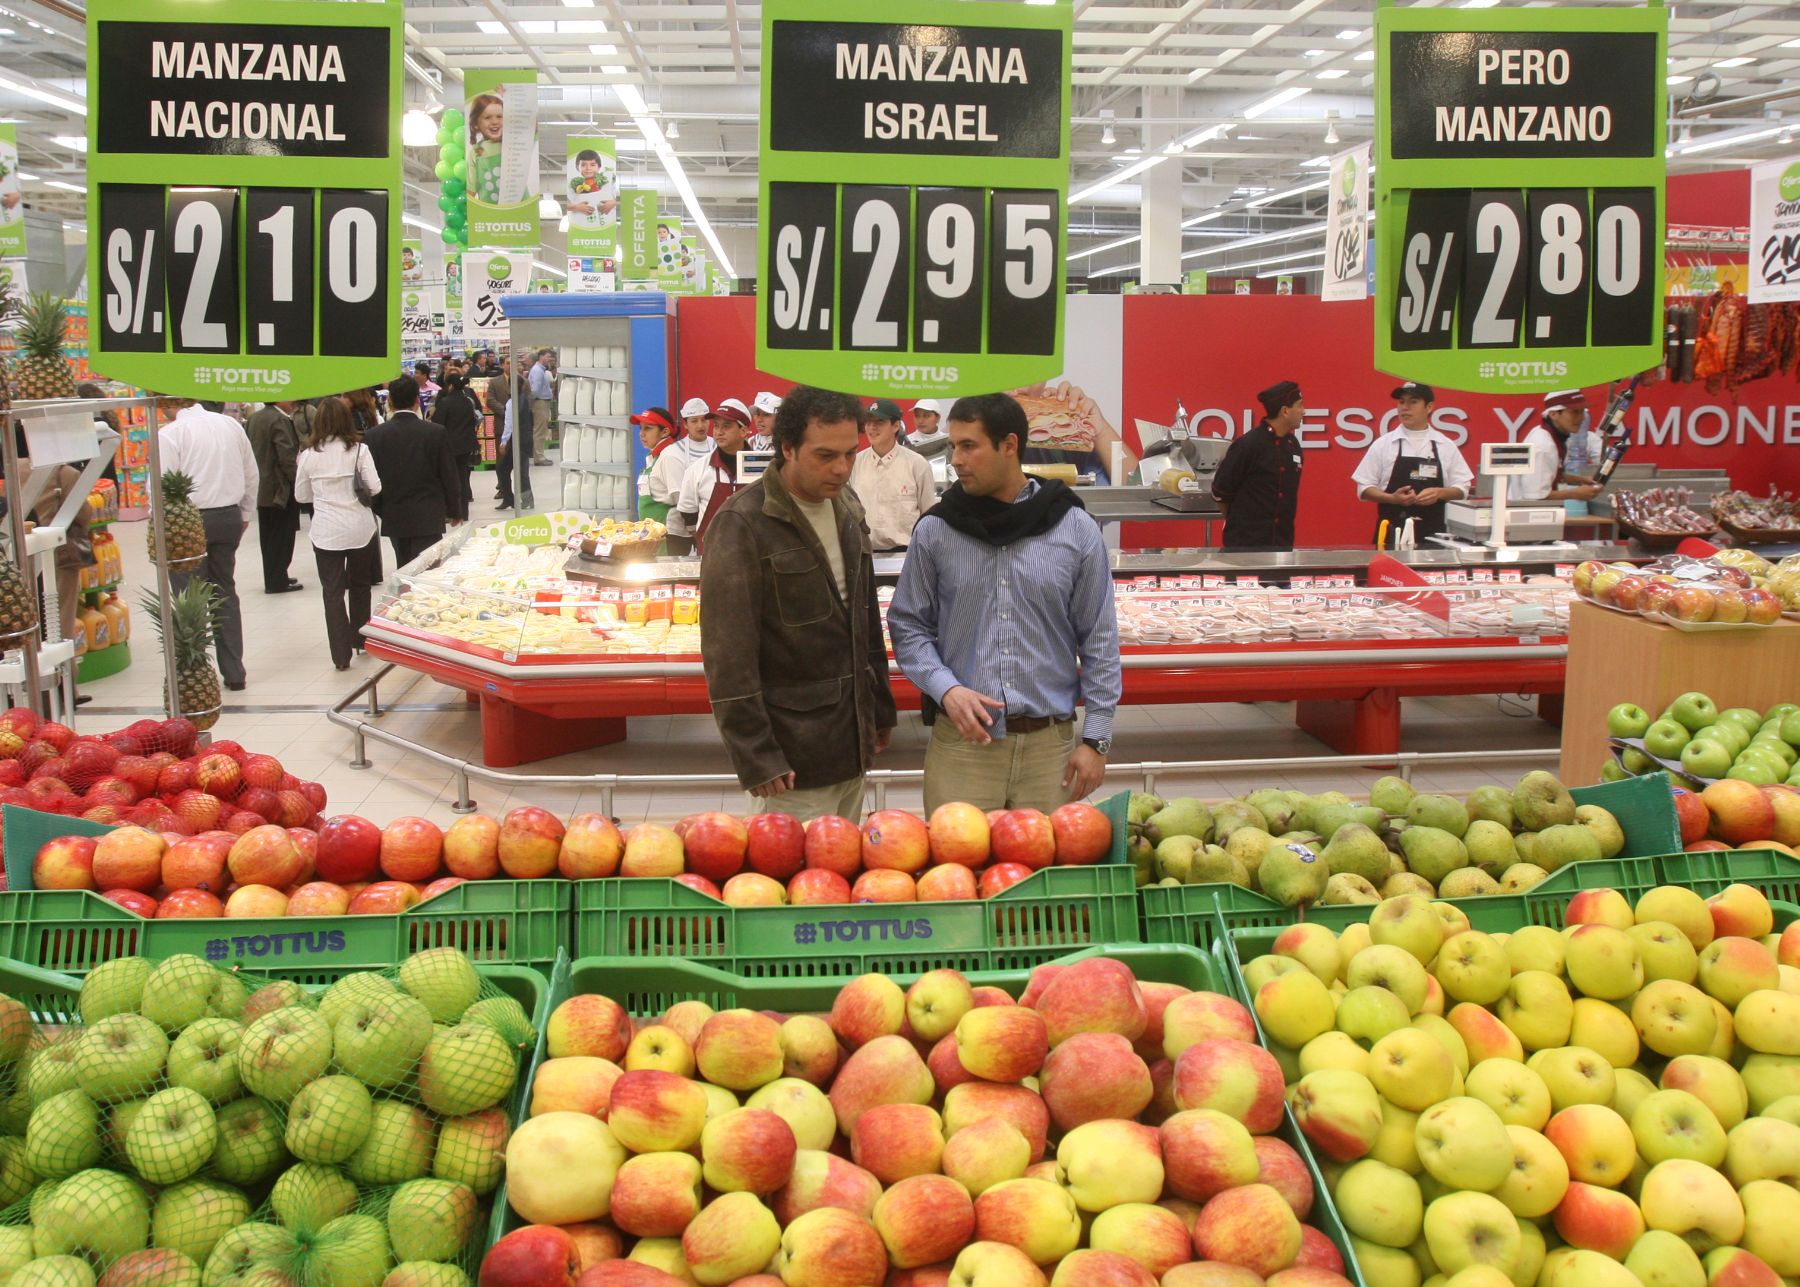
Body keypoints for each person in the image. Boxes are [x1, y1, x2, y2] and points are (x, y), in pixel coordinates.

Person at [888, 393, 1120, 815]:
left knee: (1048, 876)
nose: (956, 459)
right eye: (952, 446)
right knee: (956, 878)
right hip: (963, 748)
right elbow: (908, 626)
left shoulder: (1074, 528)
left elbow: (1099, 639)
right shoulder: (937, 531)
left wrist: (1096, 740)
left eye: (968, 445)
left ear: (1009, 445)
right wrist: (947, 689)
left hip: (1052, 752)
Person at [699, 385, 896, 823]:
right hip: (790, 761)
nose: (842, 468)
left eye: (849, 453)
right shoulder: (743, 524)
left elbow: (862, 618)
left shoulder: (846, 505)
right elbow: (727, 654)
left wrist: (879, 707)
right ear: (787, 448)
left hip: (852, 743)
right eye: (825, 455)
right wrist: (756, 753)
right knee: (796, 887)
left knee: (841, 876)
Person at [157, 396, 259, 691]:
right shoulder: (230, 425)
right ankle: (235, 672)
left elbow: (162, 487)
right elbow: (251, 474)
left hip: (186, 520)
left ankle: (196, 675)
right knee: (224, 591)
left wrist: (160, 525)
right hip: (228, 516)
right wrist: (244, 514)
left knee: (189, 598)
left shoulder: (170, 434)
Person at [294, 398, 383, 671]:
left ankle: (340, 656)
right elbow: (375, 487)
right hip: (360, 527)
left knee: (332, 592)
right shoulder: (359, 451)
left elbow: (300, 495)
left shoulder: (308, 455)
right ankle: (360, 639)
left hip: (326, 531)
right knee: (360, 586)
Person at [1351, 382, 1474, 545]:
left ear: (1429, 407)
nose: (1405, 407)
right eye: (1401, 402)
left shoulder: (1445, 445)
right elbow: (1364, 488)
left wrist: (1439, 493)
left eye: (1413, 402)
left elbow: (1462, 489)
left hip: (1436, 538)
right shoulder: (1384, 444)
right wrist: (1392, 498)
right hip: (1391, 535)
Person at [362, 375, 464, 570]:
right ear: (417, 400)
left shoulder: (374, 436)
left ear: (390, 401)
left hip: (394, 513)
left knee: (404, 566)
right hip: (428, 514)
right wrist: (455, 510)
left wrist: (381, 509)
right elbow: (449, 475)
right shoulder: (435, 432)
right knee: (428, 570)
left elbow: (370, 479)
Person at [1212, 380, 1305, 551]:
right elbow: (1220, 491)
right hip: (1245, 547)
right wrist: (1239, 523)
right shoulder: (1249, 445)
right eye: (1299, 406)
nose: (1303, 411)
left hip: (1282, 545)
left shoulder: (1293, 445)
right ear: (1285, 411)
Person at [850, 398, 935, 553]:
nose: (872, 428)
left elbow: (929, 515)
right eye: (868, 422)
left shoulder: (917, 464)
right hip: (863, 554)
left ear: (896, 426)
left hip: (907, 554)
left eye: (879, 422)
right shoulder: (854, 463)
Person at [244, 401, 310, 594]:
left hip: (262, 487)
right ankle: (278, 580)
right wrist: (296, 481)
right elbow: (286, 457)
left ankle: (274, 576)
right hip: (279, 489)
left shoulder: (254, 418)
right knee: (282, 536)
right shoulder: (279, 419)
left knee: (268, 537)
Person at [674, 402, 751, 553]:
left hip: (754, 555)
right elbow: (688, 512)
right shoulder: (697, 469)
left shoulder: (764, 468)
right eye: (716, 425)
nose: (719, 432)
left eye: (726, 426)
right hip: (711, 556)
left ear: (744, 431)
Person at [1511, 389, 1604, 506]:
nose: (1582, 418)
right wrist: (1575, 494)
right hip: (1525, 517)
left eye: (1582, 412)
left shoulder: (1550, 435)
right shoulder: (1543, 446)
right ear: (1553, 414)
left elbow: (1551, 473)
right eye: (1575, 412)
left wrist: (1580, 480)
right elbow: (1535, 496)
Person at [654, 398, 716, 555]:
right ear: (685, 424)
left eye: (704, 420)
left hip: (715, 524)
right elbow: (679, 496)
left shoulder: (719, 446)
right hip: (680, 530)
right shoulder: (673, 454)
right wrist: (693, 527)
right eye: (694, 421)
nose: (701, 425)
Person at [430, 371, 482, 511]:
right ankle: (464, 511)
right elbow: (475, 420)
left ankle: (452, 510)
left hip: (449, 446)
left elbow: (438, 423)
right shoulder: (468, 402)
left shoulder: (445, 403)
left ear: (451, 386)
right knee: (464, 478)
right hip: (466, 445)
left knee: (449, 479)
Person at [632, 407, 680, 526]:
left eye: (648, 428)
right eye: (641, 428)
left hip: (668, 536)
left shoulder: (669, 457)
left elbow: (683, 501)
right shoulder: (654, 457)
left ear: (665, 432)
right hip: (652, 535)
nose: (641, 433)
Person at [527, 349, 556, 464]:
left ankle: (539, 455)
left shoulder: (540, 370)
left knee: (541, 430)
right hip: (540, 402)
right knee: (539, 431)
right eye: (548, 356)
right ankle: (539, 457)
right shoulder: (538, 371)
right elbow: (534, 390)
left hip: (541, 402)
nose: (550, 359)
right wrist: (532, 402)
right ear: (541, 356)